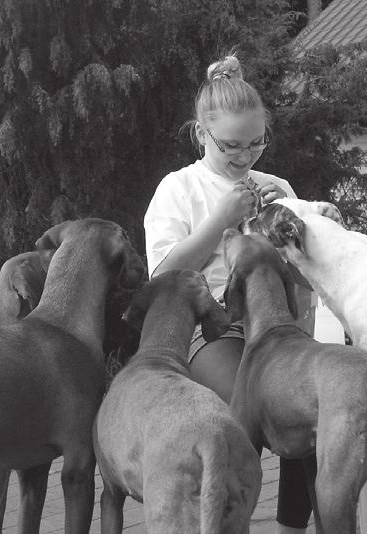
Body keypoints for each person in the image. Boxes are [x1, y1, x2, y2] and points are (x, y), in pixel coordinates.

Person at [144, 54, 315, 534]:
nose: (244, 156)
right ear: (202, 134)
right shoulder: (179, 189)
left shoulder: (275, 186)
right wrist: (221, 219)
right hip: (211, 330)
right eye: (231, 146)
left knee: (314, 413)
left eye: (256, 143)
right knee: (249, 406)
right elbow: (163, 279)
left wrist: (301, 237)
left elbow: (306, 274)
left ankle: (292, 527)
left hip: (279, 327)